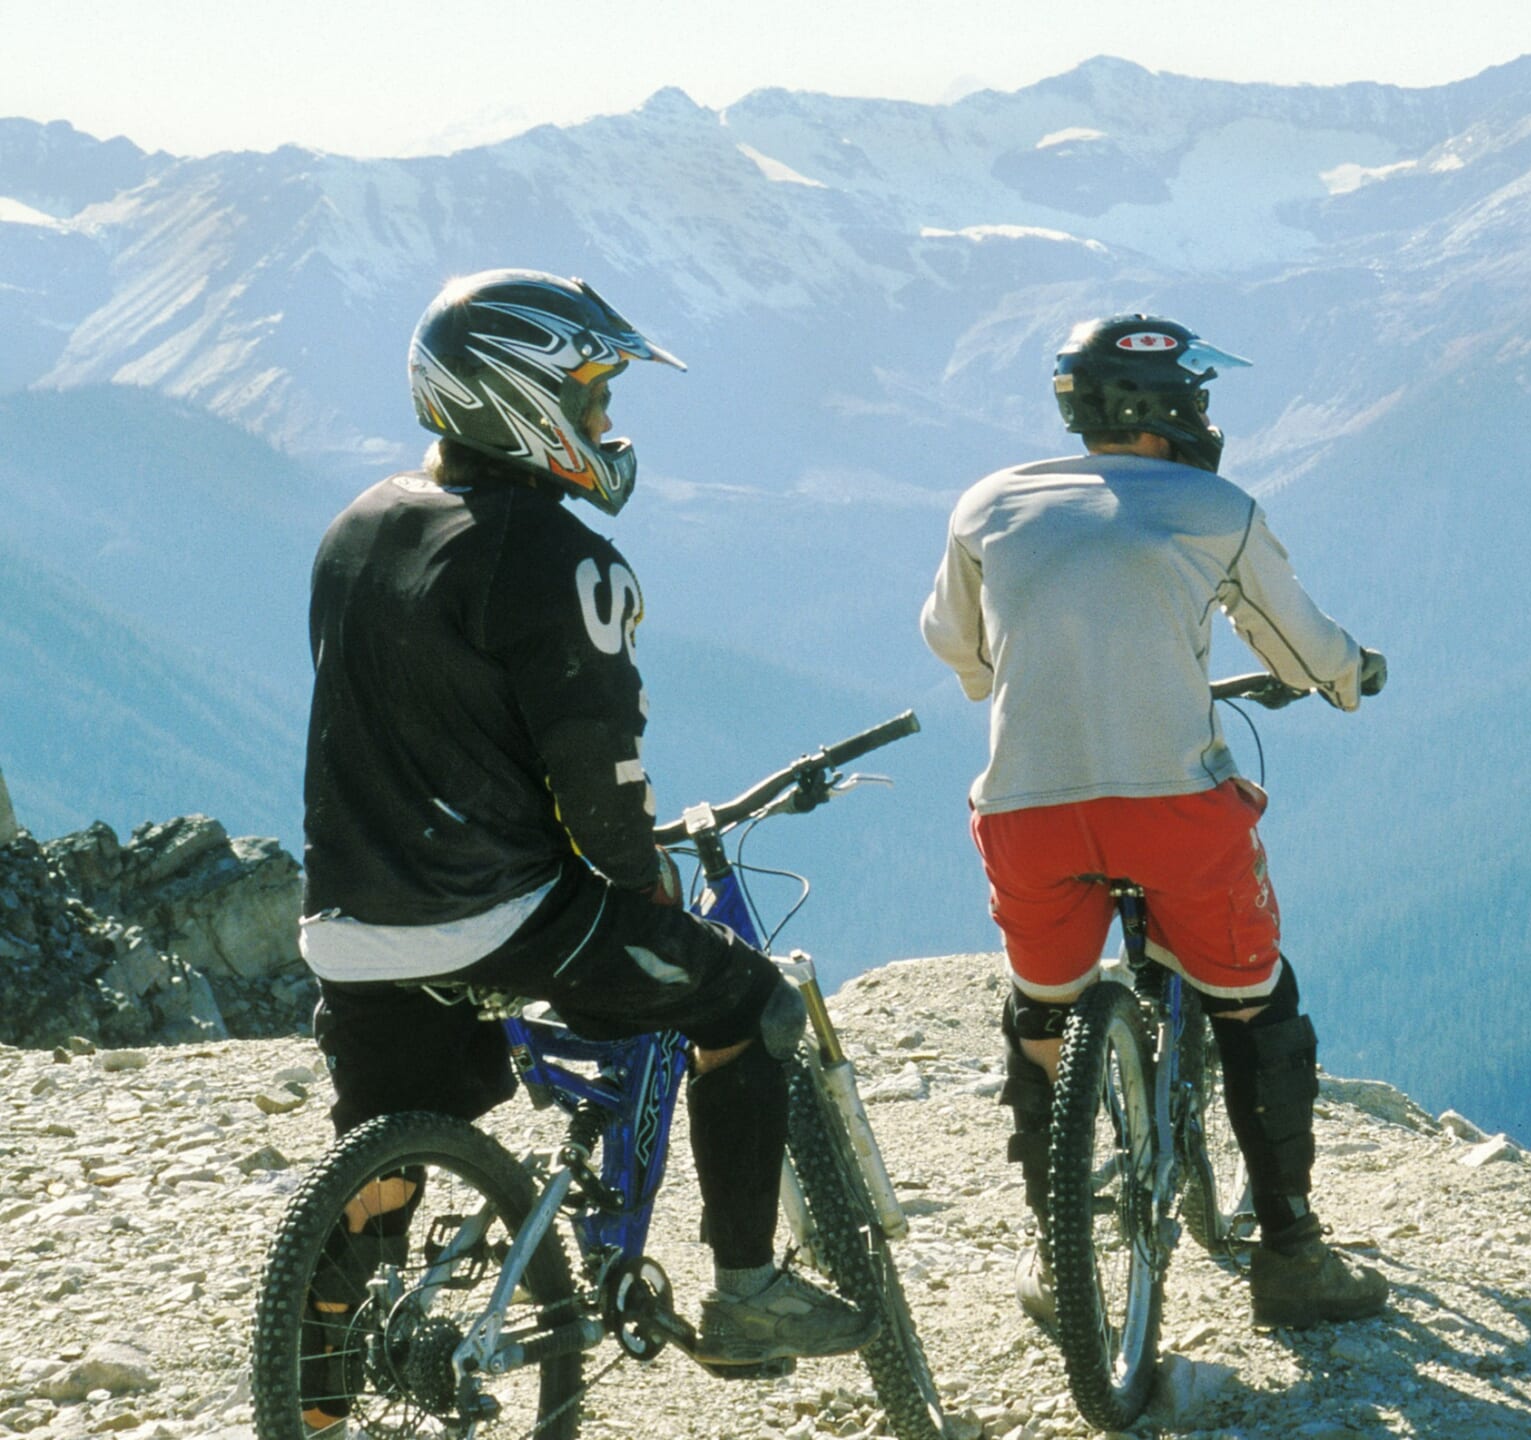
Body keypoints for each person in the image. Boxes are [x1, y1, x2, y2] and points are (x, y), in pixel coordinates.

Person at [295, 269, 869, 1427]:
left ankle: (305, 1405)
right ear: (526, 398)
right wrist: (645, 882)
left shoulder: (356, 524)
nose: (611, 424)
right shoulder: (563, 558)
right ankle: (747, 1285)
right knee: (743, 1005)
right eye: (596, 394)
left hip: (347, 921)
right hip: (499, 914)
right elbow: (598, 776)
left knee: (381, 1164)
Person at [920, 312, 1391, 1329]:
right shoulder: (1213, 506)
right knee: (1256, 1004)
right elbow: (1300, 647)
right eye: (1199, 395)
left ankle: (1058, 1250)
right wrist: (1351, 679)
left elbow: (954, 645)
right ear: (1170, 405)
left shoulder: (986, 503)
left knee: (1041, 1011)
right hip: (1171, 813)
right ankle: (1293, 1254)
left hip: (1024, 814)